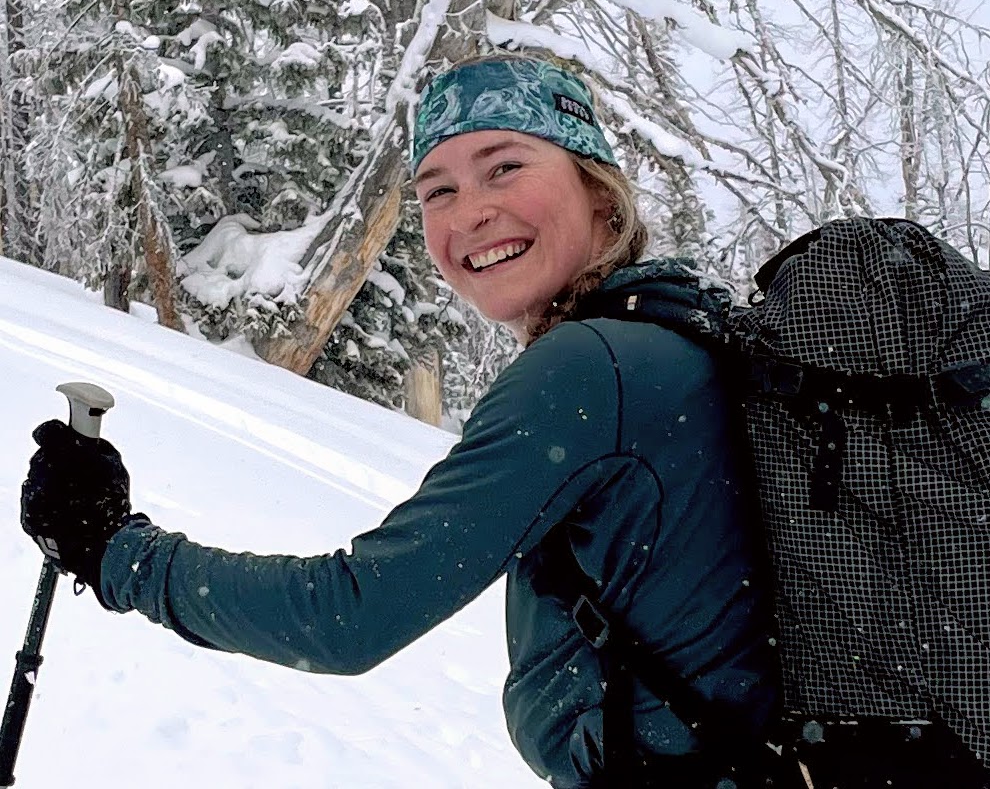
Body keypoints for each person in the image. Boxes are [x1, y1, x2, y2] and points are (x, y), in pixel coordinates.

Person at [21, 55, 785, 788]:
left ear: (600, 194)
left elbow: (348, 617)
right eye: (437, 189)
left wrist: (113, 551)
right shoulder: (676, 339)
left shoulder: (591, 368)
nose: (471, 210)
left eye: (505, 166)